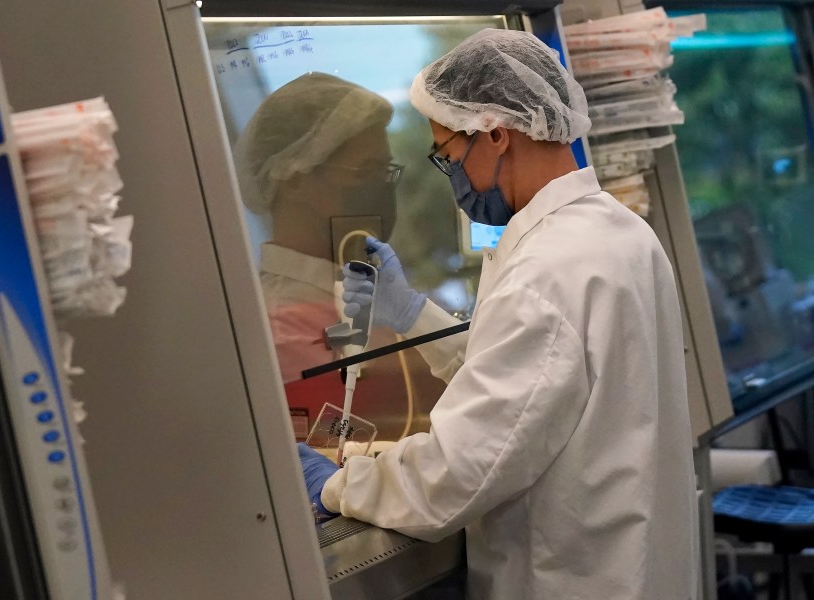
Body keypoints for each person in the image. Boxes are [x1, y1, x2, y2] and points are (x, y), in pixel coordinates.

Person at [298, 28, 698, 599]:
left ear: (495, 133)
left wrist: (336, 485)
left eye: (447, 155)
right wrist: (412, 313)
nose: (452, 179)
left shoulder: (547, 271)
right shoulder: (621, 231)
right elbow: (536, 383)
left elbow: (454, 476)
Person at [234, 73, 447, 440]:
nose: (381, 188)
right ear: (294, 179)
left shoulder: (380, 290)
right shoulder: (275, 326)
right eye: (366, 171)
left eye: (385, 172)